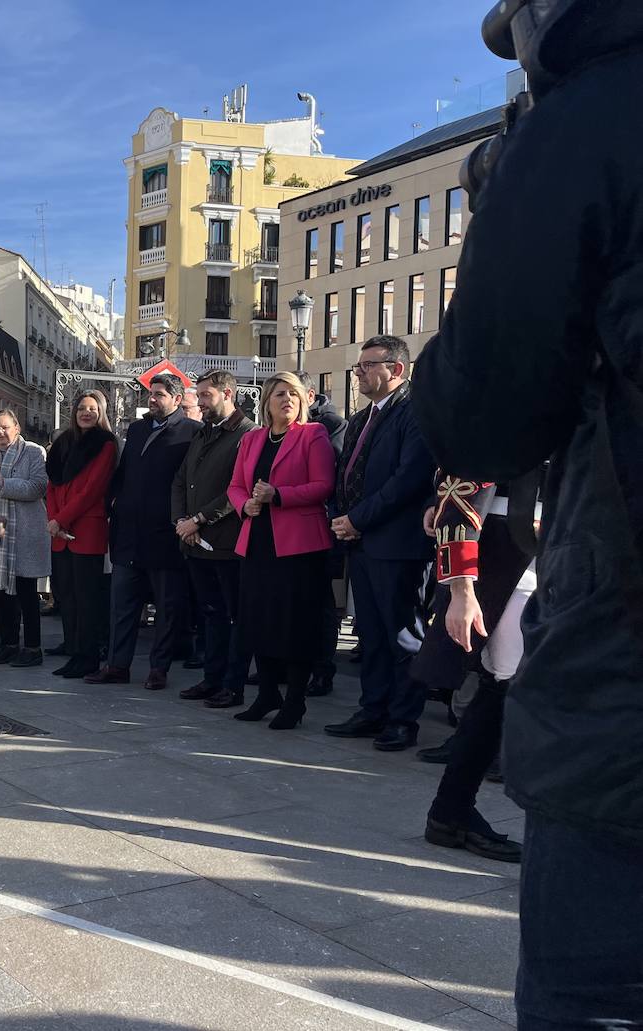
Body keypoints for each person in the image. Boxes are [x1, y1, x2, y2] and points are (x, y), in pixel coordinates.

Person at [415, 6, 643, 1019]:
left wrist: (512, 204)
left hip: (625, 667)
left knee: (588, 986)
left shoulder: (593, 117)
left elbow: (481, 414)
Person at [417, 470, 540, 864]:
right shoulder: (508, 409)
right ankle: (451, 811)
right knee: (503, 683)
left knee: (504, 686)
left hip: (560, 551)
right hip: (508, 554)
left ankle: (450, 811)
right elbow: (461, 487)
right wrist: (461, 588)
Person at [325, 336, 436, 752]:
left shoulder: (415, 413)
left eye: (369, 366)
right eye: (358, 366)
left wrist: (357, 519)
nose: (360, 374)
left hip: (398, 544)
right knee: (370, 634)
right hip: (363, 542)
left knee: (403, 635)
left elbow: (407, 481)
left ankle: (403, 720)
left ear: (397, 370)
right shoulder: (362, 418)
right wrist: (344, 518)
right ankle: (373, 709)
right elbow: (347, 474)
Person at [227, 372, 336, 729]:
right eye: (278, 394)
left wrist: (280, 495)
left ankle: (295, 701)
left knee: (296, 624)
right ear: (266, 402)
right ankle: (267, 692)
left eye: (292, 394)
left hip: (299, 545)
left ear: (303, 400)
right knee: (258, 619)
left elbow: (324, 485)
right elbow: (236, 486)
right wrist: (245, 505)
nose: (286, 400)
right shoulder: (252, 439)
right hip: (257, 539)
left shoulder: (313, 434)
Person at [86, 373, 200, 691]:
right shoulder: (136, 429)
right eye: (151, 393)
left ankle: (158, 668)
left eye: (160, 394)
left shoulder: (192, 432)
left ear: (177, 400)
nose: (153, 399)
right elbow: (123, 475)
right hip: (129, 534)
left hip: (165, 535)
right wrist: (112, 508)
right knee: (122, 605)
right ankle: (117, 665)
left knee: (166, 607)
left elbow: (191, 483)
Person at [172, 370, 255, 707]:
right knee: (210, 615)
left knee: (234, 616)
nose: (200, 402)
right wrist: (182, 522)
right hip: (194, 542)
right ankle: (212, 678)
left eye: (206, 395)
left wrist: (199, 520)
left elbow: (237, 490)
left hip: (226, 542)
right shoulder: (203, 433)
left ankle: (233, 686)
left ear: (227, 393)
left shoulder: (248, 434)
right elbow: (180, 480)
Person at [0, 409, 51, 667]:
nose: (0, 433)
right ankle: (9, 644)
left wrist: (4, 483)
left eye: (5, 427)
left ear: (16, 427)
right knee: (1, 592)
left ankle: (33, 647)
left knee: (27, 593)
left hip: (23, 533)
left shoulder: (34, 452)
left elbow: (38, 486)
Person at [45, 390, 117, 678]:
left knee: (87, 598)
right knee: (67, 597)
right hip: (59, 531)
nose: (86, 413)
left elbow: (92, 490)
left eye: (93, 408)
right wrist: (53, 520)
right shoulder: (63, 442)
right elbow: (52, 484)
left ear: (101, 413)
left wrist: (60, 519)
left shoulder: (106, 444)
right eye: (82, 408)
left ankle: (88, 656)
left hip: (86, 528)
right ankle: (73, 652)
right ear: (74, 412)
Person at [296, 370, 349, 698]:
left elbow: (327, 476)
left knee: (323, 603)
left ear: (310, 395)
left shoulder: (331, 425)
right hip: (290, 527)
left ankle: (321, 670)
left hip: (323, 527)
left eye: (293, 394)